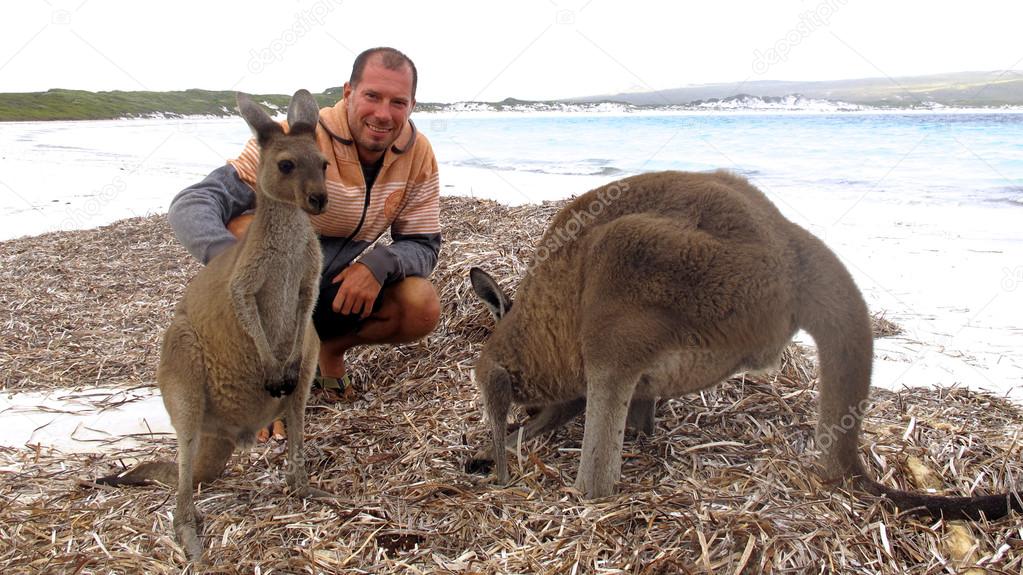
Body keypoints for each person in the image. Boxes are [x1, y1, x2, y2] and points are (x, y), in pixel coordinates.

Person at [168, 47, 441, 440]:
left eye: (398, 102)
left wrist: (379, 264)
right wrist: (232, 264)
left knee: (420, 304)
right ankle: (259, 386)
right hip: (270, 290)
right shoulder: (292, 141)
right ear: (349, 93)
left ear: (412, 104)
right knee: (248, 229)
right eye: (372, 96)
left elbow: (423, 242)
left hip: (327, 284)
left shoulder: (418, 154)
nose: (384, 113)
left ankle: (327, 351)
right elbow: (192, 203)